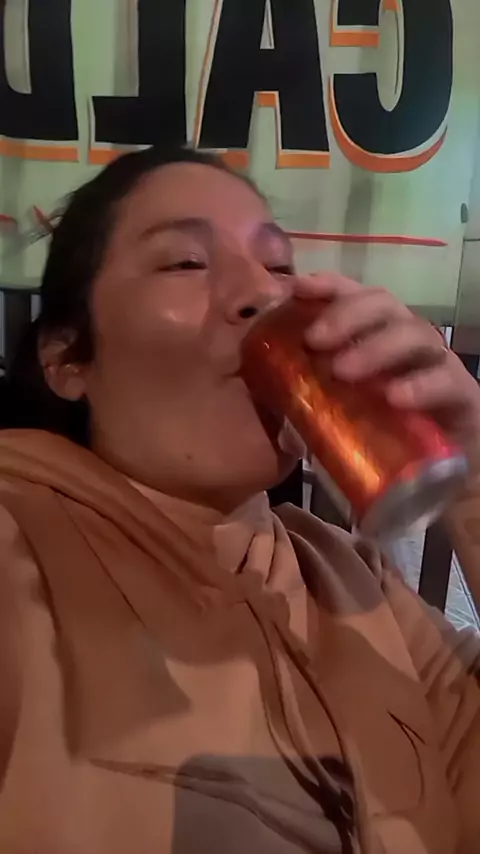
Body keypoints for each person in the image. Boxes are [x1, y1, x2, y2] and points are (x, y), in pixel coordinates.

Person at [0, 146, 479, 854]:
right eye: (185, 262)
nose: (261, 293)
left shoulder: (357, 583)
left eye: (279, 266)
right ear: (68, 358)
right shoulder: (20, 542)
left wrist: (474, 473)